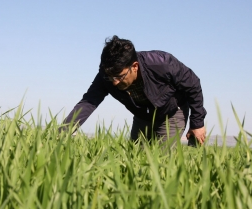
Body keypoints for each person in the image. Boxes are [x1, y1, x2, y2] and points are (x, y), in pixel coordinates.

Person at [62, 35, 207, 145]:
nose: (114, 82)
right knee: (135, 158)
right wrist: (63, 131)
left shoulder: (162, 64)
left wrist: (197, 123)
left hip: (171, 112)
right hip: (142, 115)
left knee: (162, 162)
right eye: (110, 77)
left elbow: (193, 85)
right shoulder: (106, 76)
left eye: (119, 76)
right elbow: (89, 101)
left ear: (135, 66)